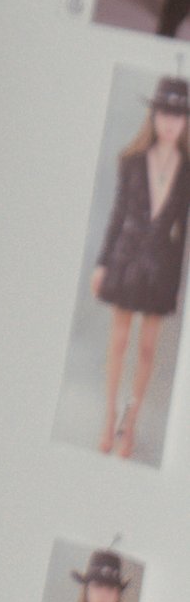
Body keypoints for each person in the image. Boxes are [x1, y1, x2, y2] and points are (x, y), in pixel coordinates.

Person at [91, 77, 187, 457]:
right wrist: (101, 263)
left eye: (179, 116)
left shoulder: (188, 170)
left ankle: (129, 424)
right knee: (118, 339)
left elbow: (182, 237)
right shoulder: (132, 161)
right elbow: (116, 216)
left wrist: (176, 284)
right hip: (125, 259)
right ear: (154, 114)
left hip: (160, 267)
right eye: (165, 112)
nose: (171, 122)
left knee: (147, 349)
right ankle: (108, 416)